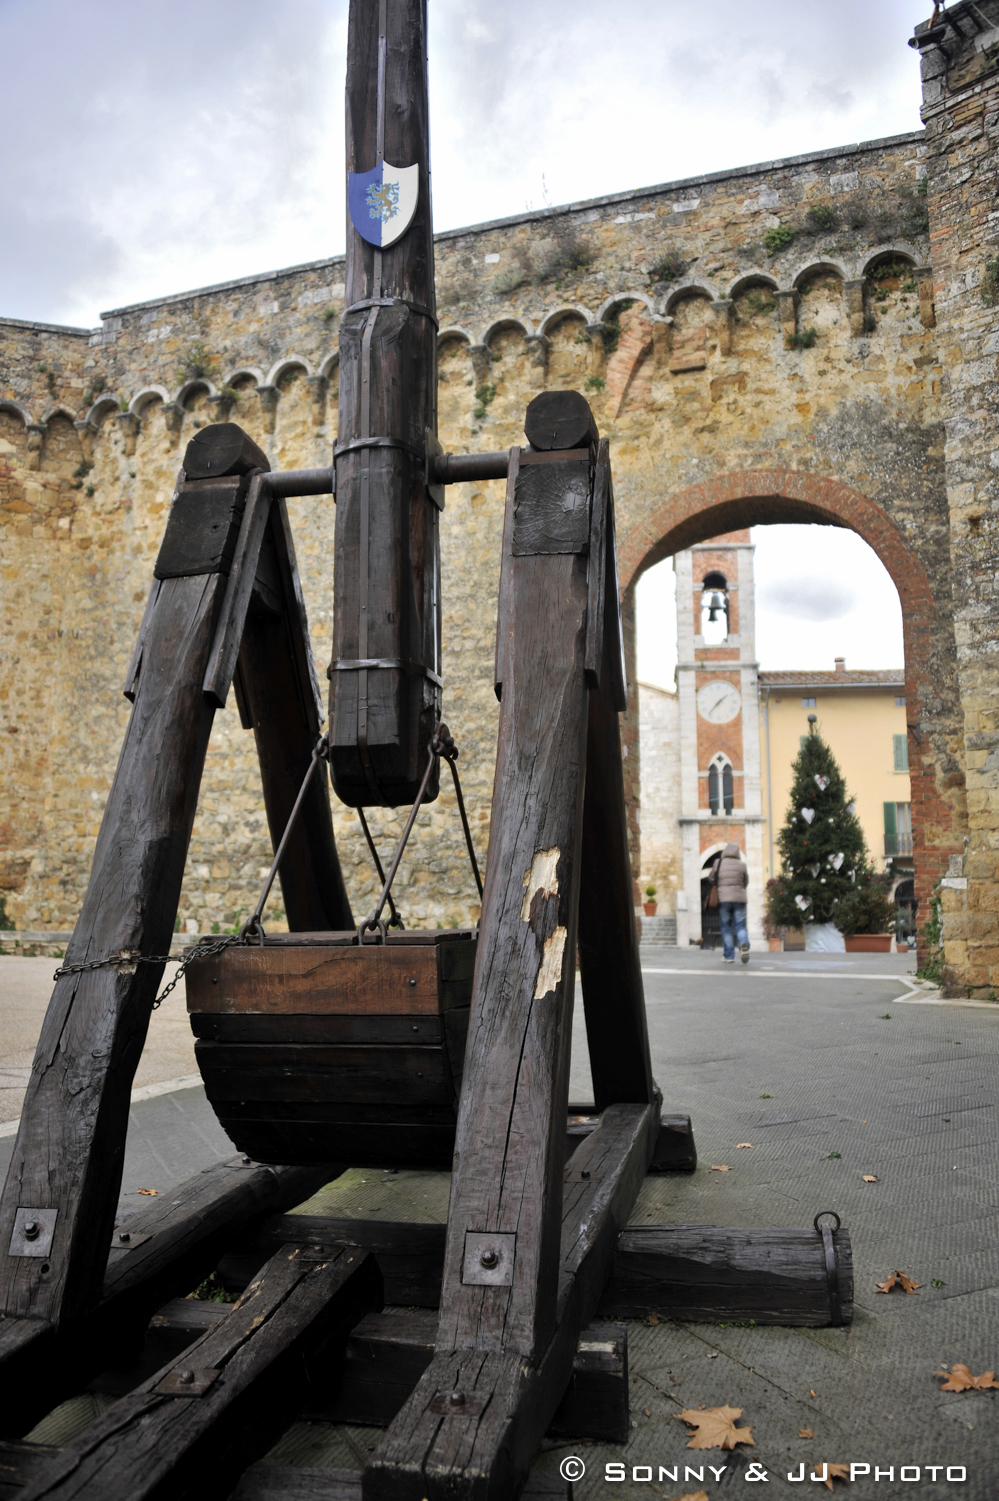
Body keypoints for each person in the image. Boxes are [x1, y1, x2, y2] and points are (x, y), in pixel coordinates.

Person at [711, 842, 750, 965]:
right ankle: (743, 943)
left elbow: (712, 878)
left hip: (724, 899)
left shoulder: (719, 862)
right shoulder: (742, 865)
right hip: (740, 898)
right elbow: (746, 881)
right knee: (740, 926)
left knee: (726, 927)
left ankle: (729, 956)